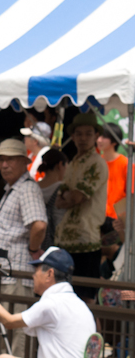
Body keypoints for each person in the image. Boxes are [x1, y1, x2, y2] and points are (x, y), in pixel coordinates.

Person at [0, 138, 47, 356]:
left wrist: (32, 249)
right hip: (7, 273)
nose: (4, 165)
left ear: (23, 162)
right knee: (4, 329)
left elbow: (38, 225)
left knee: (16, 331)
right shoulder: (13, 188)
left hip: (17, 273)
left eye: (10, 159)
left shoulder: (27, 188)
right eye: (1, 160)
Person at [54, 112, 108, 294]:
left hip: (86, 242)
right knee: (65, 295)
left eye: (88, 134)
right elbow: (61, 199)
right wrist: (68, 198)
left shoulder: (97, 163)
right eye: (79, 133)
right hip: (66, 241)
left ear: (96, 136)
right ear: (73, 136)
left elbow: (76, 197)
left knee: (87, 300)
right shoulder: (74, 162)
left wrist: (68, 198)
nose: (83, 138)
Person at [97, 121, 127, 222]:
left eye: (104, 137)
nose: (99, 140)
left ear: (114, 141)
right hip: (96, 217)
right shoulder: (96, 163)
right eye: (99, 136)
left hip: (117, 220)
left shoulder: (125, 163)